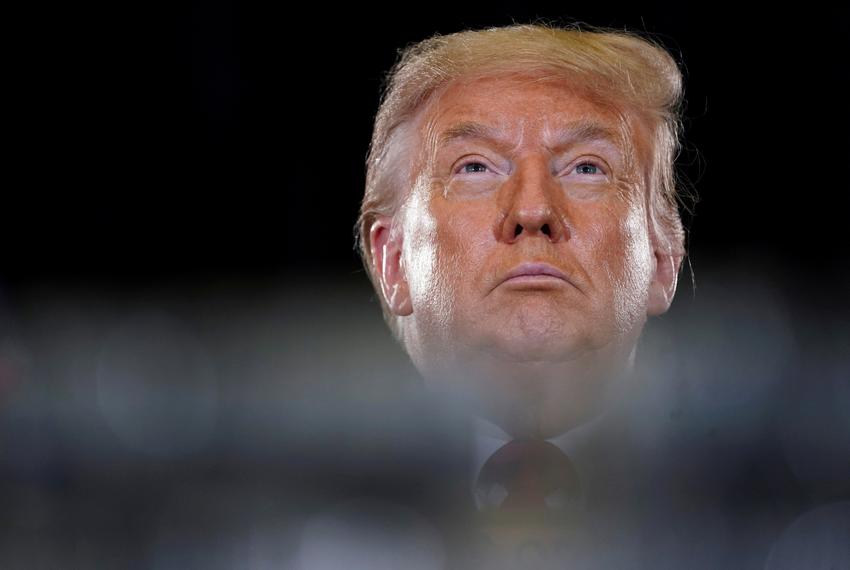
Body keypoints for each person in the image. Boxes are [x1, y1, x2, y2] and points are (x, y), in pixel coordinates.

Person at [352, 22, 690, 568]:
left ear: (662, 257)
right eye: (476, 167)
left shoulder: (780, 502)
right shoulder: (274, 503)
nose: (533, 211)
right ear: (395, 261)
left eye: (587, 168)